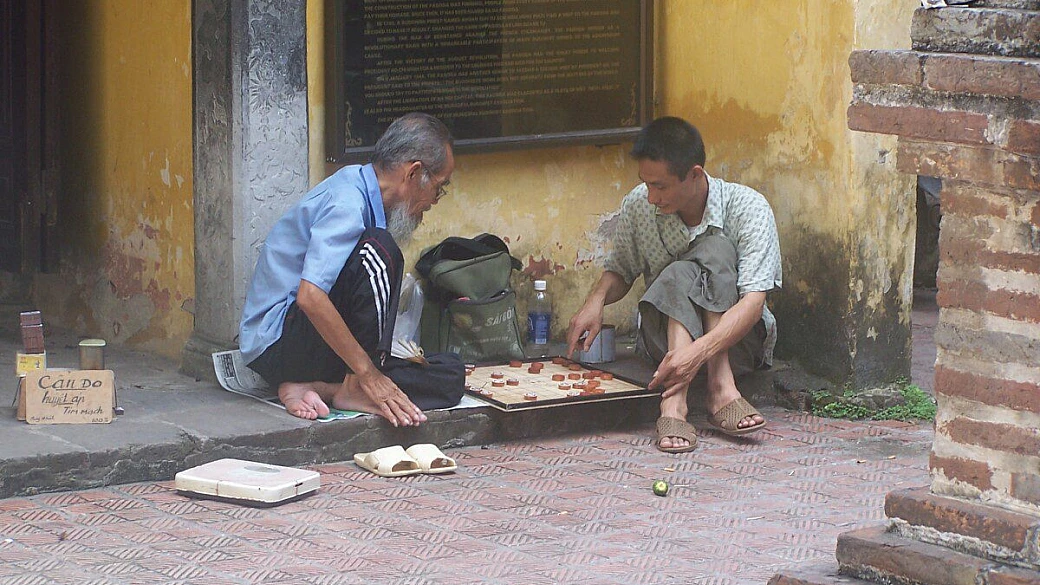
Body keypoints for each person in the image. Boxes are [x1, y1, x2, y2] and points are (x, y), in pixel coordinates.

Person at [566, 117, 782, 453]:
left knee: (714, 247)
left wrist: (696, 353)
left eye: (661, 187)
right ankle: (709, 395)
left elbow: (753, 303)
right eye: (647, 184)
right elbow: (621, 270)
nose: (651, 197)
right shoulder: (639, 204)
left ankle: (697, 393)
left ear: (695, 175)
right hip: (664, 347)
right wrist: (595, 301)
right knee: (679, 272)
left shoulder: (748, 208)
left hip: (737, 346)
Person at [239, 113, 455, 426]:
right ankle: (355, 383)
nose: (435, 201)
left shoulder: (365, 193)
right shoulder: (347, 202)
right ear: (414, 173)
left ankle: (326, 388)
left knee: (449, 373)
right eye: (439, 187)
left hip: (309, 345)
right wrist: (368, 373)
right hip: (279, 343)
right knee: (381, 252)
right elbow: (310, 296)